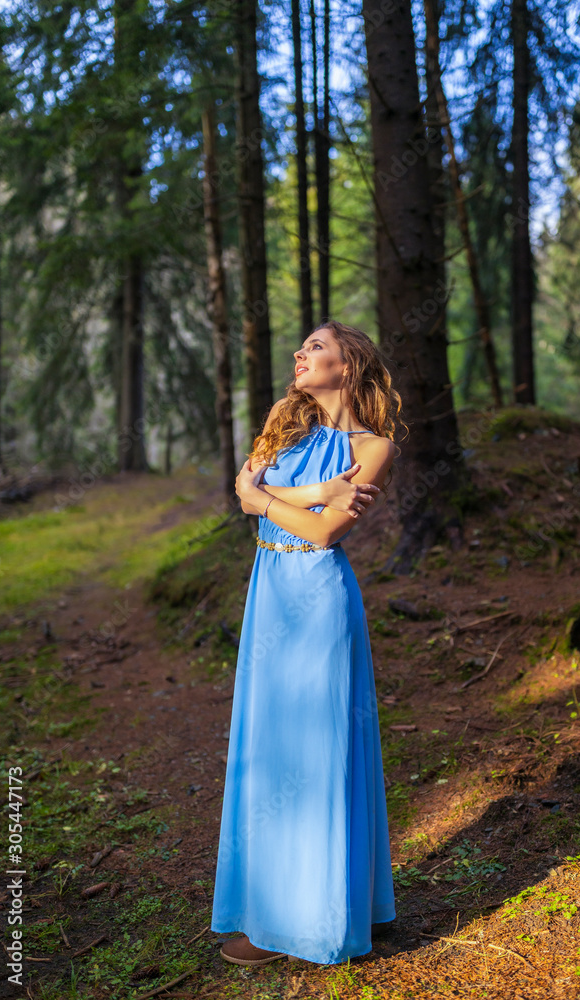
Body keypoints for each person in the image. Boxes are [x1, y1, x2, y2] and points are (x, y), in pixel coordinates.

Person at [210, 320, 402, 967]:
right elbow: (243, 493)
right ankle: (269, 914)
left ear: (348, 365)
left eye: (315, 346)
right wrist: (316, 492)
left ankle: (322, 919)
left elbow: (322, 535)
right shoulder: (281, 423)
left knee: (320, 754)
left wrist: (272, 500)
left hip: (319, 597)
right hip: (269, 592)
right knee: (270, 746)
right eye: (301, 346)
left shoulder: (373, 447)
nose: (299, 353)